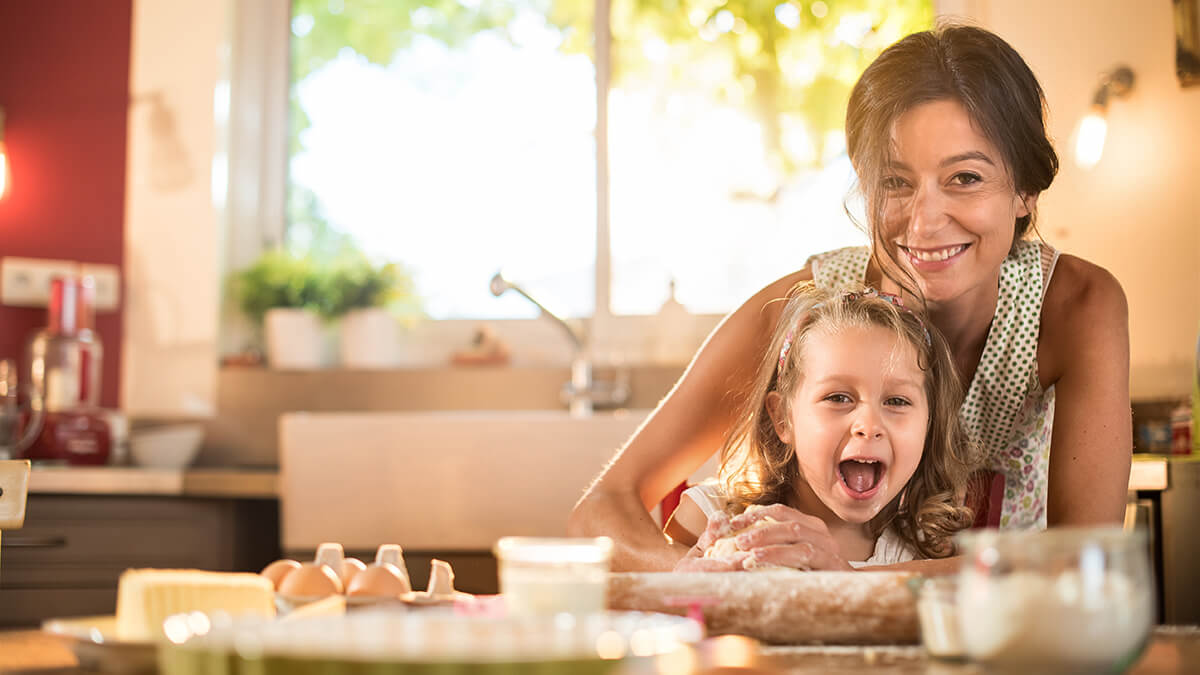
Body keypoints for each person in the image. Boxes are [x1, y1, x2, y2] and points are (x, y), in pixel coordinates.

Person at [567, 22, 1132, 573]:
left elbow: (1080, 562)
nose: (925, 220)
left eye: (964, 178)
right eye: (895, 182)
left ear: (1025, 191)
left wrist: (843, 579)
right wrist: (706, 580)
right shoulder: (805, 309)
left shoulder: (1078, 306)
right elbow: (599, 513)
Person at [665, 284, 975, 571]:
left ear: (929, 422)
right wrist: (679, 590)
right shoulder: (711, 518)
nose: (868, 426)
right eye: (838, 397)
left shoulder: (923, 552)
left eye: (896, 401)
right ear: (784, 418)